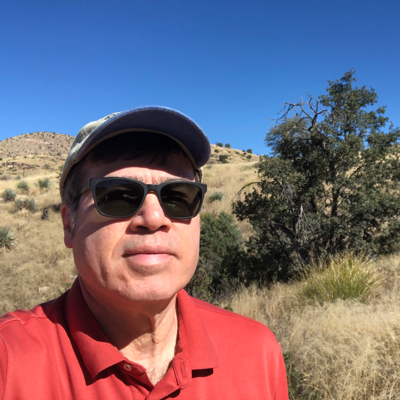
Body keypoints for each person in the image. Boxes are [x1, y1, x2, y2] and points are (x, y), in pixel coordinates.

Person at [0, 106, 288, 399]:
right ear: (69, 225)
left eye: (178, 197)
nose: (153, 218)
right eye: (117, 196)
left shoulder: (257, 353)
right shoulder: (9, 364)